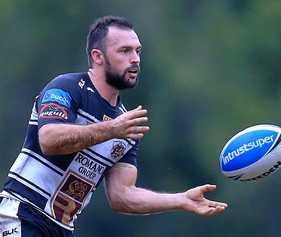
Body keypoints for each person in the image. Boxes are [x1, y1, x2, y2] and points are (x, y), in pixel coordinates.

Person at [0, 15, 228, 237]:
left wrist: (181, 200)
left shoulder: (126, 125)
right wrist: (111, 130)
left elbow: (122, 196)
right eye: (125, 51)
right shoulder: (67, 87)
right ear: (98, 57)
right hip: (22, 213)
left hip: (62, 228)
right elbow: (49, 140)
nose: (136, 59)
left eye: (138, 51)